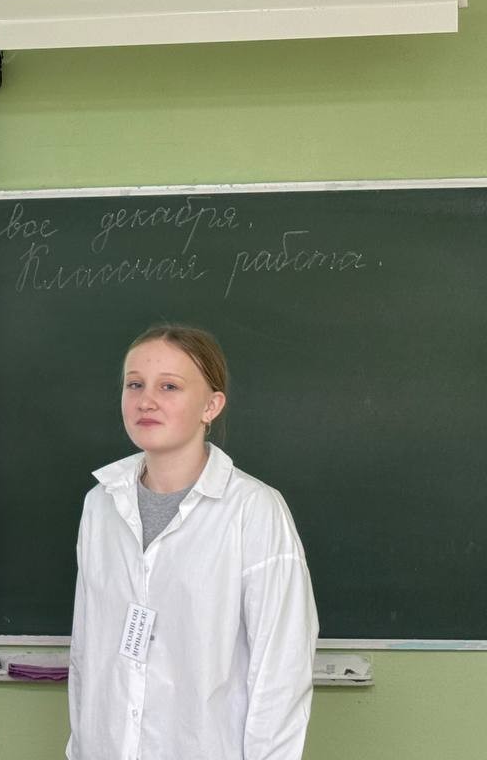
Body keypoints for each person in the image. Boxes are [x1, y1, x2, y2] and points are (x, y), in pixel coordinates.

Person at [66, 324, 318, 760]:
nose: (146, 401)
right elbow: (86, 652)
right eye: (134, 385)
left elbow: (282, 669)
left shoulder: (254, 510)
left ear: (211, 406)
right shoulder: (100, 504)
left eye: (169, 386)